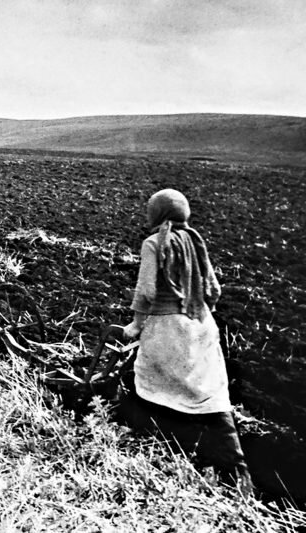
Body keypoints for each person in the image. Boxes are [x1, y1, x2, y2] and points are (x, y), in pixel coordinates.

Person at [119, 188, 254, 495]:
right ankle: (237, 469)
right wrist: (199, 315)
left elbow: (147, 293)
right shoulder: (196, 242)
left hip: (168, 328)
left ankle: (160, 444)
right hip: (203, 324)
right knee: (208, 392)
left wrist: (136, 325)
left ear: (157, 214)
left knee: (156, 386)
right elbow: (213, 289)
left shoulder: (154, 244)